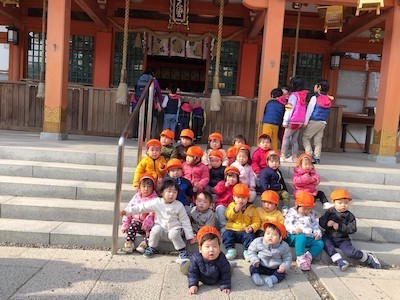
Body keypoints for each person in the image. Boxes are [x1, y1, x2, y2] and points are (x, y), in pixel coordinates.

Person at [120, 179, 196, 259]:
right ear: (162, 192)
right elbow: (142, 207)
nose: (171, 195)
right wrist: (127, 211)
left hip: (175, 228)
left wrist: (189, 236)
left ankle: (182, 250)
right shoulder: (157, 202)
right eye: (169, 191)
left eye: (174, 192)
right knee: (155, 230)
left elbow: (185, 221)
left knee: (173, 234)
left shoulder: (179, 205)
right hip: (161, 228)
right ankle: (152, 247)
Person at [319, 188, 381, 271]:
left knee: (350, 252)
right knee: (325, 243)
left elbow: (352, 229)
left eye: (346, 203)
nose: (343, 205)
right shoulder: (330, 212)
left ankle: (368, 258)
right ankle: (339, 261)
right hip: (329, 236)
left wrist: (340, 227)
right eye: (340, 203)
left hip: (342, 239)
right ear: (333, 202)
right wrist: (326, 223)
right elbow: (321, 220)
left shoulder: (349, 216)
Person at [185, 226, 231, 295]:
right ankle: (183, 262)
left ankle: (231, 263)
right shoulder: (196, 259)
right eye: (207, 246)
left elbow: (226, 273)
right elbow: (193, 273)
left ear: (219, 248)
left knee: (228, 268)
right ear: (200, 249)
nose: (211, 250)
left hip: (216, 276)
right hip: (200, 275)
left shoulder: (222, 258)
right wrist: (193, 285)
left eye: (215, 246)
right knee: (186, 268)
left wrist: (225, 285)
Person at [284, 191, 324, 271]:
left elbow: (315, 225)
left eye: (308, 209)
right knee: (301, 237)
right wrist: (294, 230)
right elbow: (287, 225)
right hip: (294, 237)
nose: (306, 211)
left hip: (308, 236)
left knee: (320, 243)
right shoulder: (291, 213)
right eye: (304, 209)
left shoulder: (311, 214)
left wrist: (317, 233)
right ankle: (300, 257)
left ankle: (308, 257)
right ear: (296, 205)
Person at [121, 173, 158, 254]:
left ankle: (144, 244)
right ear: (139, 187)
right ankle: (129, 243)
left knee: (153, 231)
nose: (146, 189)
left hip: (148, 223)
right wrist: (125, 224)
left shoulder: (154, 199)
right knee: (133, 224)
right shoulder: (136, 197)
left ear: (153, 188)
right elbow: (130, 208)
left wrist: (147, 224)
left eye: (149, 187)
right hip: (137, 221)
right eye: (144, 186)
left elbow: (153, 214)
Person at [222, 184, 260, 261]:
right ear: (234, 197)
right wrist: (235, 210)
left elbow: (256, 221)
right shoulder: (231, 206)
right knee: (226, 234)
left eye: (243, 198)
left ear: (247, 198)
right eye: (238, 197)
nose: (241, 200)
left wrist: (252, 228)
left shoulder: (252, 209)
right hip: (232, 229)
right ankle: (231, 250)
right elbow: (228, 216)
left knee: (250, 237)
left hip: (245, 231)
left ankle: (248, 251)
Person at [247, 221, 292, 287]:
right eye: (267, 233)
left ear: (280, 238)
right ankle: (255, 277)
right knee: (252, 267)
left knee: (282, 274)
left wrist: (283, 266)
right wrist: (255, 260)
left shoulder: (284, 246)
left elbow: (287, 258)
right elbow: (251, 251)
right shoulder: (258, 241)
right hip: (260, 264)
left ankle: (271, 279)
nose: (270, 236)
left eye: (274, 235)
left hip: (275, 267)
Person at [302, 78, 333, 164]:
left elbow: (309, 111)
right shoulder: (328, 98)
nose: (314, 87)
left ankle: (309, 155)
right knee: (318, 141)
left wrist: (305, 122)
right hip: (323, 122)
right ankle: (317, 157)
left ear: (319, 87)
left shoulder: (314, 98)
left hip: (314, 120)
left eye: (315, 85)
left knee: (305, 138)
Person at [280, 76, 309, 163]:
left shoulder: (293, 96)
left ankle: (282, 156)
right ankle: (294, 157)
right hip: (300, 121)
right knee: (295, 140)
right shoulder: (304, 95)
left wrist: (285, 120)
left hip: (292, 120)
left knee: (286, 138)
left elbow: (289, 108)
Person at [134, 69, 164, 139]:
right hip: (149, 102)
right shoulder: (153, 81)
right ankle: (147, 135)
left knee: (140, 118)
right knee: (149, 119)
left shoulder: (140, 79)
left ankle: (140, 135)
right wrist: (161, 101)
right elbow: (158, 92)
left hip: (139, 101)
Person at [214, 166, 240, 232]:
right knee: (220, 208)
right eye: (229, 177)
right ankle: (223, 226)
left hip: (233, 206)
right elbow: (216, 191)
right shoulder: (221, 183)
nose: (231, 179)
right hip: (222, 204)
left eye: (234, 177)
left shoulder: (238, 186)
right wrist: (224, 186)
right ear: (226, 177)